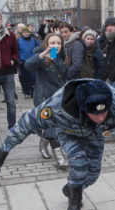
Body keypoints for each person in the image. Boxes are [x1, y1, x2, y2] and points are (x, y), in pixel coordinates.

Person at [0, 79, 115, 210]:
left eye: (104, 113)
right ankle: (75, 197)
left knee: (92, 175)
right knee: (79, 164)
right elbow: (25, 124)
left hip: (95, 134)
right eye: (95, 113)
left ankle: (71, 188)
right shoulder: (55, 107)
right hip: (68, 132)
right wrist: (2, 151)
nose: (101, 117)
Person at [25, 33, 69, 169]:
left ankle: (43, 144)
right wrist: (43, 54)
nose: (55, 46)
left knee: (56, 125)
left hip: (58, 97)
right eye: (52, 43)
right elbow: (28, 66)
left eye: (58, 43)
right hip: (43, 97)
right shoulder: (40, 55)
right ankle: (59, 158)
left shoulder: (64, 58)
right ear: (46, 44)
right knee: (50, 125)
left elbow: (65, 78)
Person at [17, 27, 40, 99]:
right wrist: (18, 59)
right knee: (24, 77)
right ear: (22, 33)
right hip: (23, 61)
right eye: (24, 32)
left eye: (27, 32)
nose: (26, 33)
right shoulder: (18, 41)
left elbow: (38, 49)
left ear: (29, 33)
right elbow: (16, 50)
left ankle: (32, 91)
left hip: (32, 61)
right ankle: (26, 92)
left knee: (33, 77)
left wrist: (36, 57)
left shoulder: (34, 40)